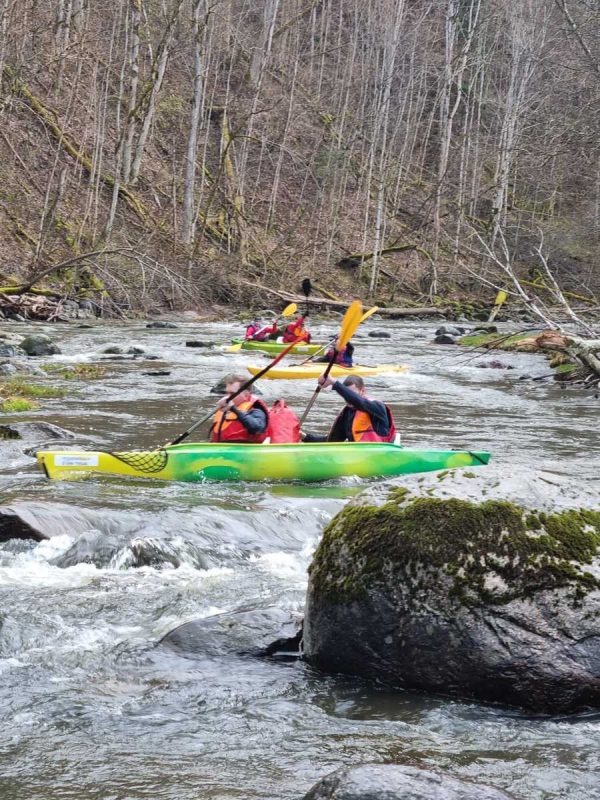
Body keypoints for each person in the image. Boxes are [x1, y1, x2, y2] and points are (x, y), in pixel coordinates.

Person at [303, 375, 395, 442]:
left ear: (363, 391)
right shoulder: (347, 414)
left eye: (351, 394)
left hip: (380, 454)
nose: (348, 398)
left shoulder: (377, 407)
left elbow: (359, 402)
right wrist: (304, 437)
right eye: (346, 395)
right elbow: (331, 441)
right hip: (358, 457)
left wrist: (333, 382)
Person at [211, 373, 270, 443]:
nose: (228, 397)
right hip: (221, 447)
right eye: (227, 393)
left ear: (246, 394)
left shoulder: (256, 408)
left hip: (245, 447)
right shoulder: (225, 408)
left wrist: (234, 409)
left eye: (232, 393)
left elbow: (257, 428)